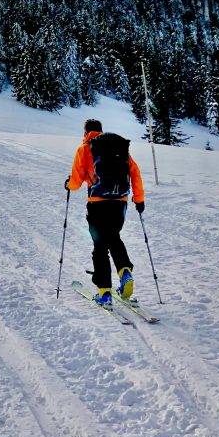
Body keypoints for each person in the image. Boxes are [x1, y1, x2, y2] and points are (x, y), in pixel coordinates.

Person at [67, 118, 145, 307]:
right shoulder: (117, 147)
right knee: (114, 237)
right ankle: (125, 271)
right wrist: (139, 199)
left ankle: (104, 292)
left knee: (100, 245)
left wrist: (68, 184)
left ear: (85, 133)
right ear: (101, 131)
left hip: (97, 204)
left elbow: (76, 183)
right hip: (120, 203)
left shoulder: (84, 149)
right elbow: (134, 172)